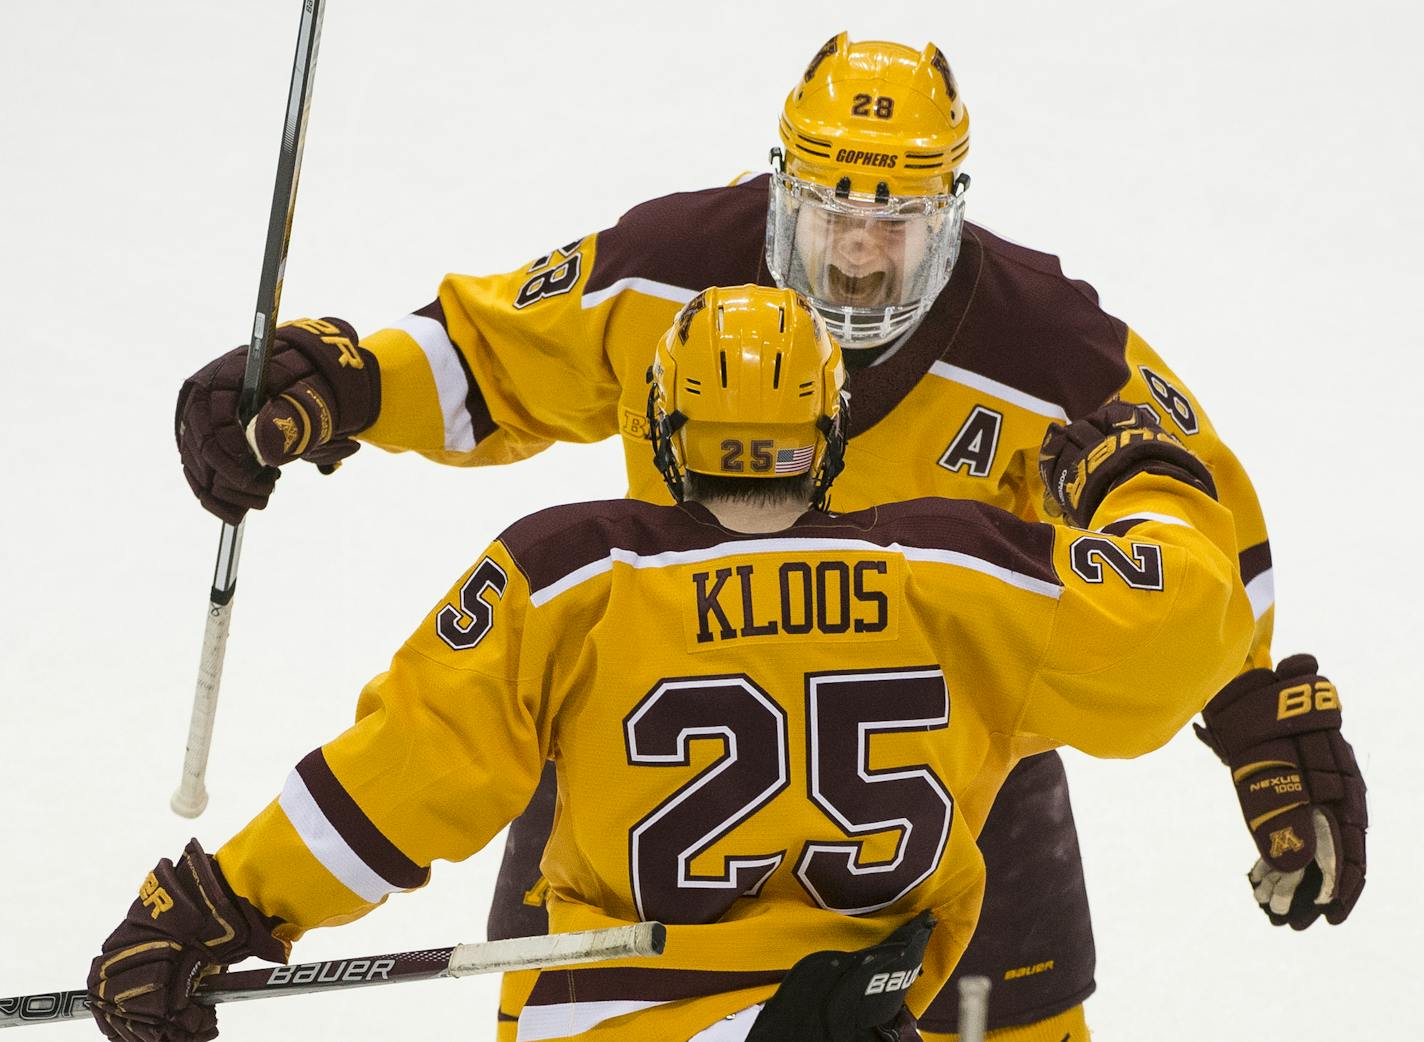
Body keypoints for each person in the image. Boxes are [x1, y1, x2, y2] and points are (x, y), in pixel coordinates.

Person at [174, 34, 1366, 1041]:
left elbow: (1203, 520)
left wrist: (1251, 707)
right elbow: (492, 354)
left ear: (949, 204)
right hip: (777, 778)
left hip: (913, 781)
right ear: (781, 182)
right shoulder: (675, 263)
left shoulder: (1043, 346)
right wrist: (344, 384)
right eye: (831, 207)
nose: (856, 248)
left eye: (894, 216)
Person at [102, 287, 1252, 1042]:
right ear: (832, 425)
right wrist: (1141, 480)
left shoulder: (571, 575)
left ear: (660, 429)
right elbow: (1182, 631)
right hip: (864, 1013)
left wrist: (224, 903)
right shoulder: (960, 572)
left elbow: (408, 772)